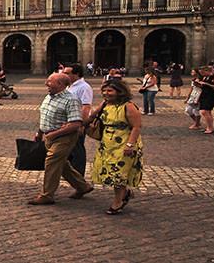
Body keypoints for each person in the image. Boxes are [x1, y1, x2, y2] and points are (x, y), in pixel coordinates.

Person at [27, 73, 93, 205]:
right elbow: (45, 116)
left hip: (64, 138)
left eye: (50, 82)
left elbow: (75, 123)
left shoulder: (71, 100)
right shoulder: (49, 96)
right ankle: (83, 187)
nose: (46, 84)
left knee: (51, 162)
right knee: (62, 165)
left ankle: (47, 195)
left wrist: (55, 133)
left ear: (61, 85)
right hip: (49, 136)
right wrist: (39, 133)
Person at [87, 78, 143, 215]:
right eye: (104, 90)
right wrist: (97, 110)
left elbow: (136, 127)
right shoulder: (106, 104)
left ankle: (118, 202)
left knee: (119, 173)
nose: (106, 93)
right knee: (110, 170)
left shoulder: (128, 106)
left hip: (124, 142)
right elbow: (92, 117)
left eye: (110, 90)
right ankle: (124, 193)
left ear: (120, 91)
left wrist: (130, 145)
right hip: (107, 143)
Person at [64, 63, 94, 176]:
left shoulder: (84, 87)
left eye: (67, 73)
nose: (64, 74)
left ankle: (78, 173)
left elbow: (86, 107)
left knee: (77, 149)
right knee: (69, 147)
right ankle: (70, 172)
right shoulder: (70, 86)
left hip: (77, 123)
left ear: (76, 74)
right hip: (68, 122)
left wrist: (81, 124)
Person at [194, 65, 214, 135]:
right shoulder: (205, 77)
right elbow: (203, 86)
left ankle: (210, 128)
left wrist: (207, 84)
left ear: (207, 71)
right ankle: (209, 127)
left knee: (204, 111)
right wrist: (198, 84)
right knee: (207, 112)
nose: (201, 74)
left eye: (203, 73)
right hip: (204, 94)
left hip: (211, 95)